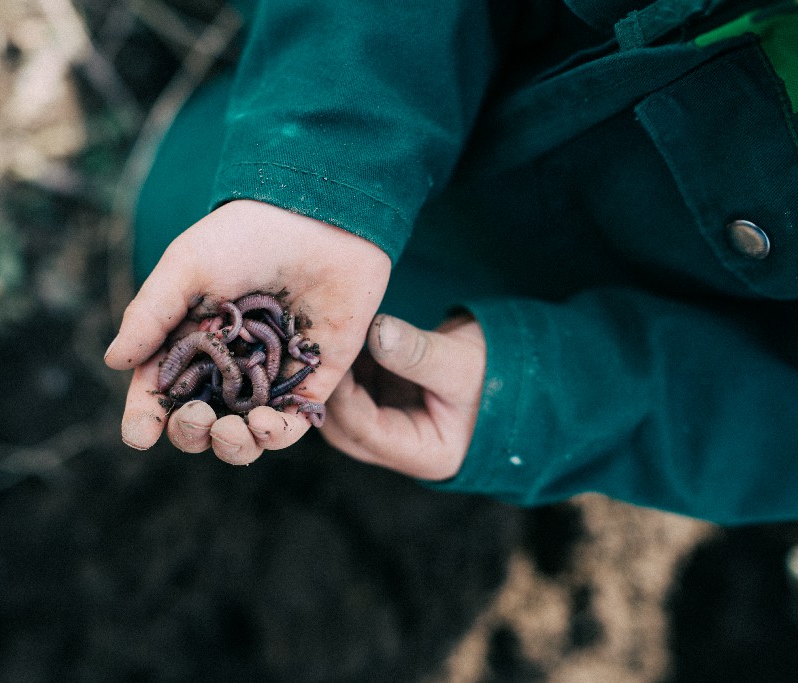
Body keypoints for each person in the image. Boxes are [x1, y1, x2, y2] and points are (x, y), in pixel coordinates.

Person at [104, 0, 798, 524]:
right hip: (439, 49)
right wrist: (316, 172)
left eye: (234, 335)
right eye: (237, 336)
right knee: (184, 201)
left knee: (181, 213)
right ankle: (294, 72)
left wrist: (540, 395)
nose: (236, 337)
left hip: (599, 295)